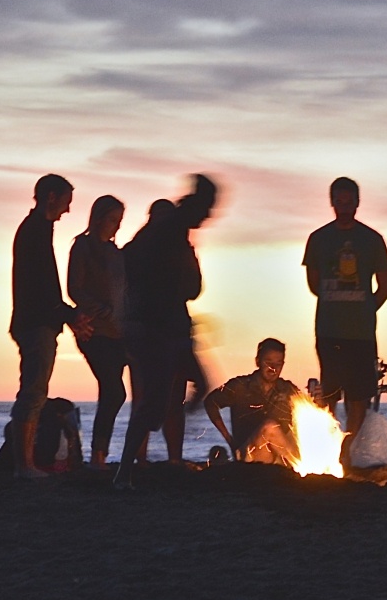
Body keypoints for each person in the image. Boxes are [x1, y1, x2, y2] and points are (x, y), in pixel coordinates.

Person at [113, 174, 217, 490]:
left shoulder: (174, 234)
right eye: (208, 208)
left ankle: (131, 466)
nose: (210, 217)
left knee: (194, 388)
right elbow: (185, 285)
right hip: (158, 329)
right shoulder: (168, 230)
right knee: (155, 404)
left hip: (169, 327)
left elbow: (192, 287)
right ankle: (125, 471)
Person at [10, 174, 92, 478]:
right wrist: (68, 315)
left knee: (35, 390)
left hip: (38, 321)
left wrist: (67, 316)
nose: (68, 211)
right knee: (33, 391)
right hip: (35, 323)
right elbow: (41, 288)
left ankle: (27, 464)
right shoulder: (34, 231)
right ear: (52, 197)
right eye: (66, 203)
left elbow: (46, 289)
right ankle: (25, 466)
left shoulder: (38, 230)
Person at [303, 177, 387, 460]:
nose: (343, 207)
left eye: (349, 202)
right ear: (332, 203)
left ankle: (349, 451)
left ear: (357, 202)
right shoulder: (318, 239)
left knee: (359, 396)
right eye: (338, 202)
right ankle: (330, 447)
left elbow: (385, 286)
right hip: (329, 330)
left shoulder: (372, 240)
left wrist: (365, 308)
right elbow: (314, 283)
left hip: (361, 333)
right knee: (330, 394)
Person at [67, 195, 127, 467]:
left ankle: (100, 455)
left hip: (119, 332)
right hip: (93, 329)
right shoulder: (82, 247)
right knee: (114, 391)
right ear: (99, 218)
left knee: (113, 390)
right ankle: (98, 455)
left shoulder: (116, 254)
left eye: (119, 221)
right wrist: (100, 309)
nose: (116, 226)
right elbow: (74, 288)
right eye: (113, 220)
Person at [204, 338, 299, 464]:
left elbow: (311, 415)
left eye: (278, 363)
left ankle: (301, 465)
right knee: (270, 427)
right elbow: (210, 403)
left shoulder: (288, 389)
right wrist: (229, 439)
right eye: (268, 362)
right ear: (258, 361)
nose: (273, 368)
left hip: (280, 457)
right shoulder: (240, 386)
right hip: (251, 455)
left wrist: (318, 398)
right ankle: (303, 466)